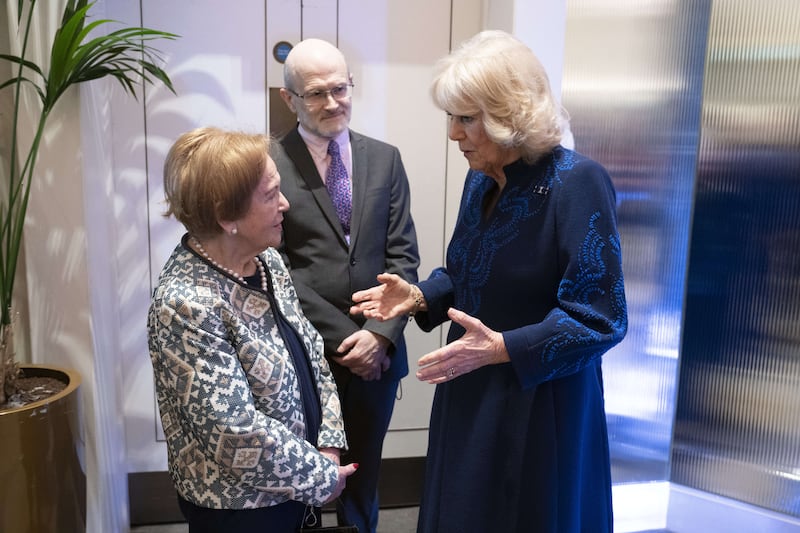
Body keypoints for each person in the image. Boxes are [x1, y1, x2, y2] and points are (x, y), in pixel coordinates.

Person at [350, 30, 628, 533]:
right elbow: (464, 273)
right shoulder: (483, 177)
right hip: (470, 387)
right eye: (451, 118)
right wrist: (418, 296)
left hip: (539, 404)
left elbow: (602, 318)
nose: (454, 135)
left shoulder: (576, 182)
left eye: (466, 119)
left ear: (511, 116)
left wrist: (502, 347)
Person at [147, 126, 357, 532]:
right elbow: (235, 434)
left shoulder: (267, 263)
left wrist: (328, 443)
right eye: (269, 195)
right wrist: (320, 478)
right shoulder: (185, 304)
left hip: (300, 486)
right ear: (227, 217)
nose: (285, 204)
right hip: (242, 513)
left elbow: (312, 352)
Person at [272, 38, 420, 533]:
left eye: (340, 88)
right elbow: (275, 267)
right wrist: (344, 340)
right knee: (307, 480)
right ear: (288, 98)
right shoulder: (266, 163)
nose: (332, 102)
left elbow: (404, 258)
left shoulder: (385, 159)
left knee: (365, 478)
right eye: (316, 93)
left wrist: (379, 335)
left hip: (377, 358)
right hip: (307, 355)